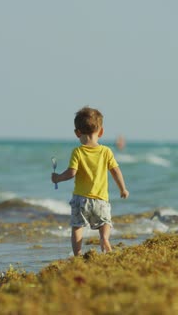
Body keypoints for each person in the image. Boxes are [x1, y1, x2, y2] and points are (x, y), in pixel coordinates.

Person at [51, 106, 129, 256]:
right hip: (100, 199)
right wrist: (122, 189)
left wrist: (58, 178)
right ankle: (104, 238)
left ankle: (78, 254)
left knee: (77, 226)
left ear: (77, 133)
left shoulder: (78, 151)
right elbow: (115, 171)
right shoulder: (106, 151)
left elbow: (71, 173)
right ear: (101, 131)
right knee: (105, 222)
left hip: (80, 199)